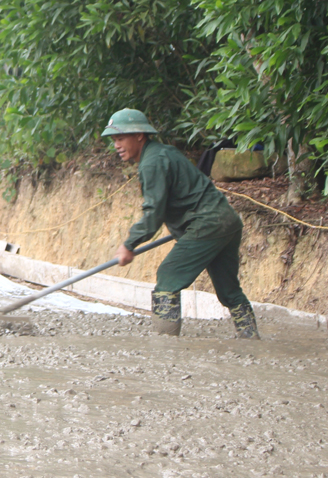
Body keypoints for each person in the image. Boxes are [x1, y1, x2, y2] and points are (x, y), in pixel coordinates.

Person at [102, 108, 259, 339]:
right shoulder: (164, 153)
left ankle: (165, 343)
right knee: (228, 289)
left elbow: (154, 213)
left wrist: (130, 244)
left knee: (168, 275)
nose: (116, 145)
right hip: (227, 220)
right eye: (114, 140)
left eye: (121, 138)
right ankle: (250, 338)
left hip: (207, 223)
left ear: (139, 136)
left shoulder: (152, 163)